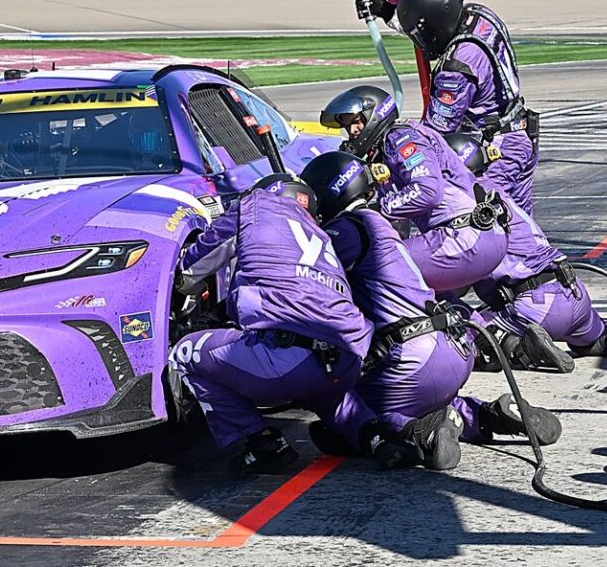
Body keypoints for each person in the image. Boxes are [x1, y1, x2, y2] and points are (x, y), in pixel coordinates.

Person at [299, 151, 561, 468]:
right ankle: (488, 414)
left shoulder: (345, 231)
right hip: (452, 348)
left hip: (411, 357)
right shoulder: (381, 225)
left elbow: (305, 284)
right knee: (413, 397)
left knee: (340, 402)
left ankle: (424, 432)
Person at [169, 174, 373, 472]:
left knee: (185, 353)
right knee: (325, 393)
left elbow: (189, 272)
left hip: (286, 361)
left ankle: (261, 442)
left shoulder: (255, 206)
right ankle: (377, 434)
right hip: (347, 361)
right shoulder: (322, 235)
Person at [445, 132, 607, 363]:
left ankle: (521, 349)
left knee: (460, 329)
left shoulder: (464, 209)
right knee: (597, 340)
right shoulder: (497, 191)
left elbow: (455, 281)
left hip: (534, 306)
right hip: (572, 290)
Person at [355, 0, 538, 217]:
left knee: (491, 225)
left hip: (496, 152)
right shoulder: (480, 16)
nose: (421, 43)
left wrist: (395, 150)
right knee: (523, 227)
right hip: (520, 134)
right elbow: (436, 21)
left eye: (422, 35)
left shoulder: (456, 68)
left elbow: (436, 130)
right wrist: (386, 11)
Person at [321, 85, 509, 295]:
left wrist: (372, 209)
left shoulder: (399, 137)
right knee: (427, 292)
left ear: (373, 115)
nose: (353, 132)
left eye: (356, 122)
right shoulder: (387, 149)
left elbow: (428, 191)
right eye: (348, 127)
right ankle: (471, 328)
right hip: (481, 236)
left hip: (463, 236)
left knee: (367, 268)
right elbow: (397, 227)